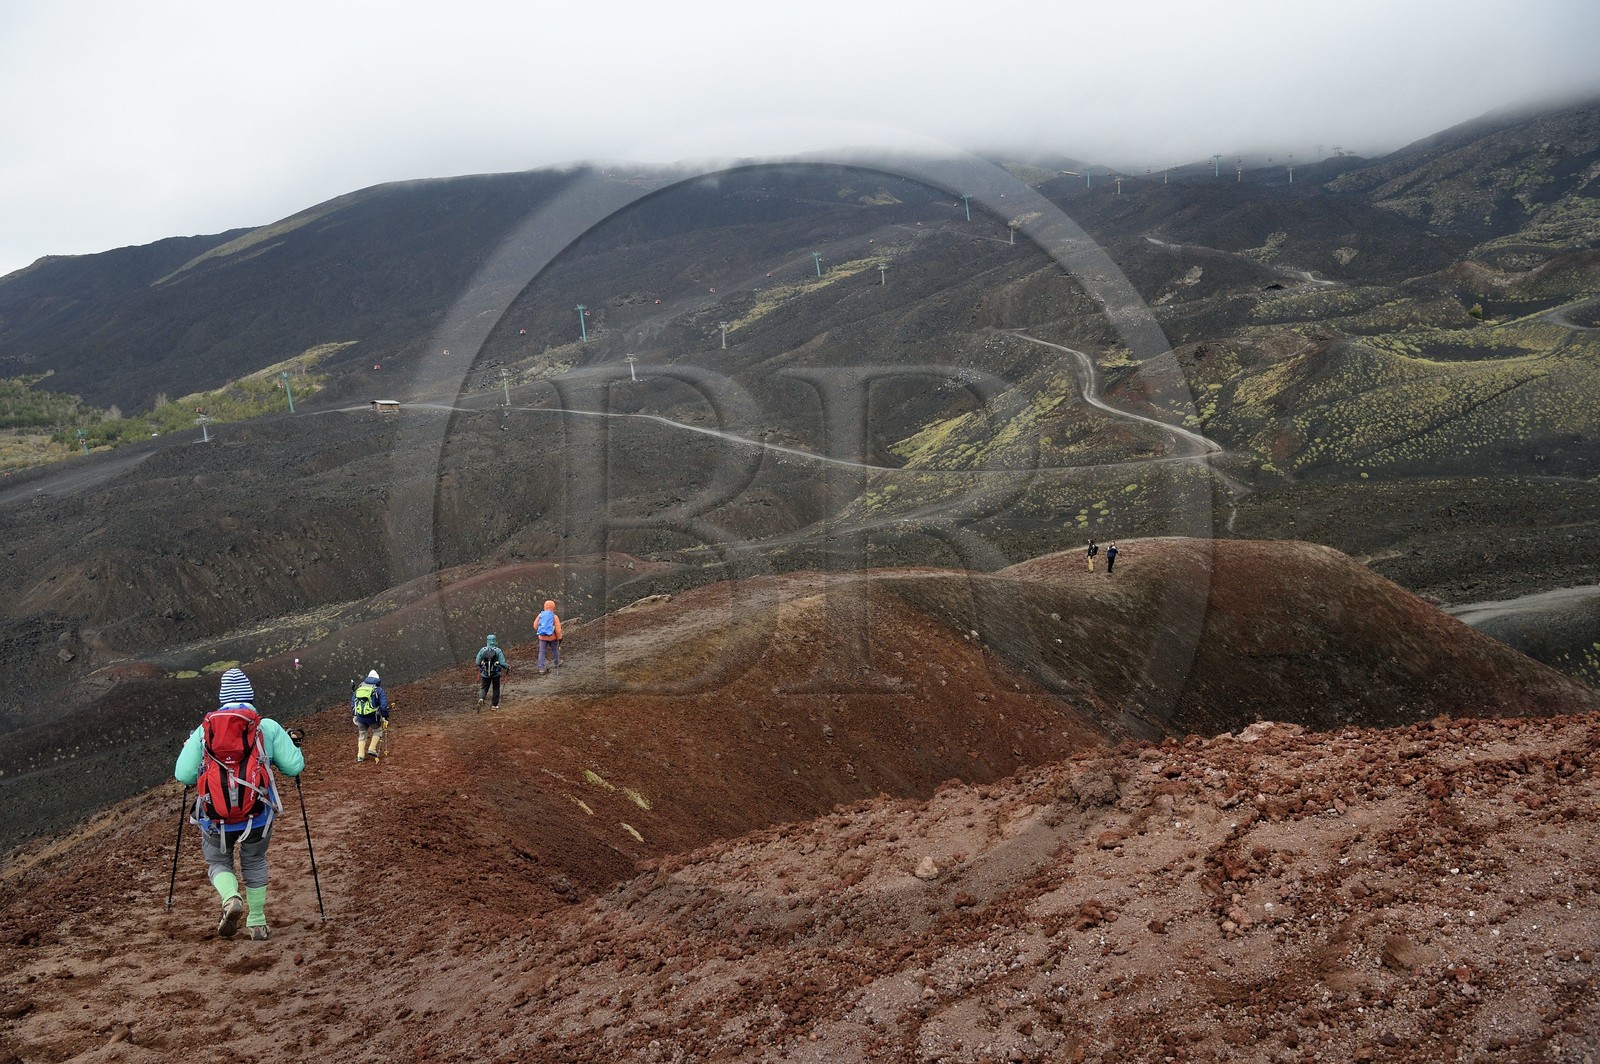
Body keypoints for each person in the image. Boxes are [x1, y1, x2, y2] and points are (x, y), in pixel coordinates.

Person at [173, 668, 304, 941]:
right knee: (254, 861)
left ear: (222, 699)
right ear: (250, 697)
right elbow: (294, 767)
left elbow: (183, 775)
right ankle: (256, 922)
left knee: (218, 861)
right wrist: (294, 745)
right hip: (256, 814)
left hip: (214, 816)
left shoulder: (204, 730)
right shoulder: (265, 727)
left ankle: (231, 897)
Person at [351, 669, 390, 763]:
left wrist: (355, 715)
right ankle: (372, 749)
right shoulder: (379, 690)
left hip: (360, 717)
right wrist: (385, 717)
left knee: (362, 735)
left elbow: (353, 704)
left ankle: (360, 756)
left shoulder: (359, 689)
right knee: (378, 731)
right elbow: (383, 706)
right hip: (373, 717)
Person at [476, 634, 509, 708]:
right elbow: (502, 663)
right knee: (496, 688)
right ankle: (494, 705)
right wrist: (507, 666)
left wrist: (481, 665)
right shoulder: (498, 651)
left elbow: (477, 662)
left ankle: (481, 698)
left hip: (485, 673)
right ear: (495, 641)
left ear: (487, 641)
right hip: (495, 673)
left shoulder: (482, 650)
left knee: (484, 688)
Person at [535, 600, 563, 674]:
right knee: (555, 650)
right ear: (553, 608)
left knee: (542, 652)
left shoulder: (540, 615)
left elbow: (535, 625)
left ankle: (541, 668)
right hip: (552, 637)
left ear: (544, 607)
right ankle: (557, 662)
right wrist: (560, 638)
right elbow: (558, 630)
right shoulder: (554, 617)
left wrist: (540, 631)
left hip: (542, 637)